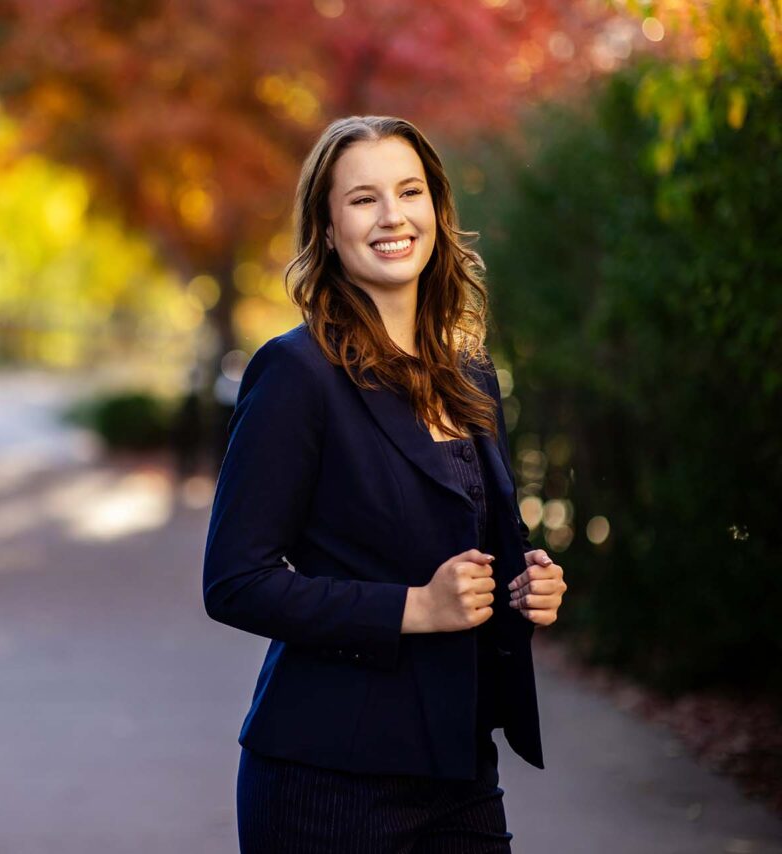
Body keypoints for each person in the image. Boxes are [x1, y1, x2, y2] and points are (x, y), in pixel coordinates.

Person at [202, 115, 568, 853]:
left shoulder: (471, 375)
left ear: (437, 209)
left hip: (460, 770)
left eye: (409, 191)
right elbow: (235, 580)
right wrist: (413, 609)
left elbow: (479, 555)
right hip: (326, 781)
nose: (393, 216)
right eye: (364, 199)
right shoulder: (297, 374)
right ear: (328, 230)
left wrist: (530, 590)